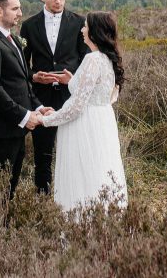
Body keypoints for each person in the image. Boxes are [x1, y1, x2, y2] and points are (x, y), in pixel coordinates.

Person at [0, 0, 53, 215]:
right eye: (15, 8)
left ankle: (2, 240)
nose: (20, 13)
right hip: (0, 132)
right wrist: (24, 115)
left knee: (9, 190)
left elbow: (22, 82)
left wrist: (38, 106)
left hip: (16, 131)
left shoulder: (13, 40)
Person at [40, 11, 127, 213]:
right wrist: (73, 81)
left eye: (86, 26)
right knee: (99, 170)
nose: (82, 30)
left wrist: (48, 119)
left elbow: (77, 106)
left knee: (82, 173)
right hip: (103, 122)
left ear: (95, 32)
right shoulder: (107, 59)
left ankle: (81, 224)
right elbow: (105, 95)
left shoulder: (93, 60)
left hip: (84, 125)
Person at [19, 0, 89, 194]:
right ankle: (43, 199)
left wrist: (72, 79)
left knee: (75, 151)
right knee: (43, 154)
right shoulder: (28, 26)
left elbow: (87, 61)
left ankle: (76, 198)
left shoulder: (79, 23)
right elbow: (22, 65)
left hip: (72, 98)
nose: (58, 1)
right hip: (41, 99)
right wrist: (34, 77)